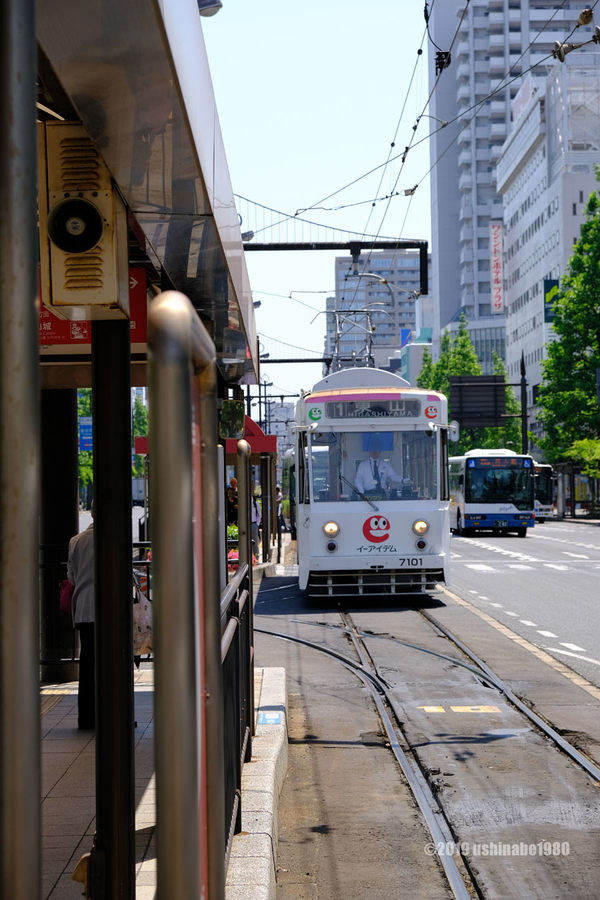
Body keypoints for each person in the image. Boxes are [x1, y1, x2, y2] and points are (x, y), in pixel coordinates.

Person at [66, 503, 96, 730]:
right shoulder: (116, 539)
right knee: (113, 663)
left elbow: (71, 576)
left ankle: (85, 717)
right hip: (111, 611)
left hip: (84, 608)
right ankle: (112, 712)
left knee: (87, 663)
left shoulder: (75, 541)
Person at [251, 492, 262, 558]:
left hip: (254, 524)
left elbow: (259, 514)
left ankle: (256, 556)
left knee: (255, 541)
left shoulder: (255, 503)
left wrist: (257, 524)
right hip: (246, 525)